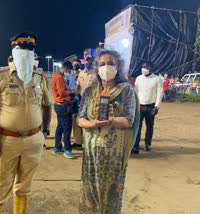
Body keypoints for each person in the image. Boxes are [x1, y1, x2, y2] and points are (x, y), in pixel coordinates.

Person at [0, 32, 52, 214]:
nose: (27, 51)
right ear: (14, 50)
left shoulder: (39, 77)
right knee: (0, 186)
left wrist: (43, 133)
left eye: (30, 48)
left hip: (33, 140)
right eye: (22, 47)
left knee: (24, 186)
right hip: (7, 141)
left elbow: (47, 105)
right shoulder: (0, 76)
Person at [77, 49, 139, 214]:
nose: (106, 67)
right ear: (97, 68)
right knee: (90, 196)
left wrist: (111, 120)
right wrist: (93, 123)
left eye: (110, 63)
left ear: (117, 67)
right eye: (102, 64)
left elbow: (129, 120)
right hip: (91, 153)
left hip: (114, 156)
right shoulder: (90, 91)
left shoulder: (126, 90)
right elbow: (80, 119)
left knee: (110, 197)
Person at [133, 62, 163, 153]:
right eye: (143, 67)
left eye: (146, 67)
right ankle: (135, 146)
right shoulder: (138, 78)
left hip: (151, 107)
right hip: (139, 106)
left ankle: (148, 144)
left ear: (151, 68)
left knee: (149, 126)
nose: (144, 68)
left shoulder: (157, 79)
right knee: (137, 126)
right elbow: (135, 91)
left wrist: (156, 106)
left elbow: (160, 93)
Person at [51, 61, 74, 158]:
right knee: (67, 127)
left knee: (60, 127)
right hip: (62, 105)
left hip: (58, 105)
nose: (68, 72)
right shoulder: (59, 78)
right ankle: (67, 149)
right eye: (68, 70)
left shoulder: (57, 76)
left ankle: (57, 147)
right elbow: (62, 93)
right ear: (65, 68)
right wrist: (72, 92)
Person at [33, 53, 54, 149]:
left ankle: (41, 142)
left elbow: (47, 105)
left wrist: (46, 128)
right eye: (34, 59)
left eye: (37, 59)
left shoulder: (40, 77)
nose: (36, 61)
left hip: (37, 116)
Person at [67, 59, 83, 149]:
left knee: (81, 120)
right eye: (74, 64)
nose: (75, 66)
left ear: (80, 65)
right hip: (72, 100)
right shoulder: (69, 76)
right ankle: (78, 141)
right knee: (74, 121)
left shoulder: (82, 75)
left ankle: (79, 141)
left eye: (77, 64)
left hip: (81, 100)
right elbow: (66, 87)